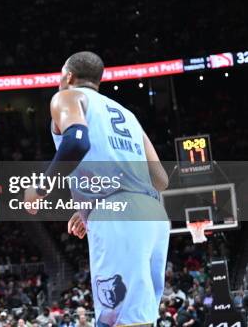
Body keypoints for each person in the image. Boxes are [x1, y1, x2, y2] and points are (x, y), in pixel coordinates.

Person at [24, 52, 170, 326]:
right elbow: (161, 178)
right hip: (155, 216)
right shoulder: (128, 115)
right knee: (136, 316)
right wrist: (97, 201)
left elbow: (77, 142)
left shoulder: (67, 97)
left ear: (68, 76)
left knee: (119, 317)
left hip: (120, 219)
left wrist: (41, 188)